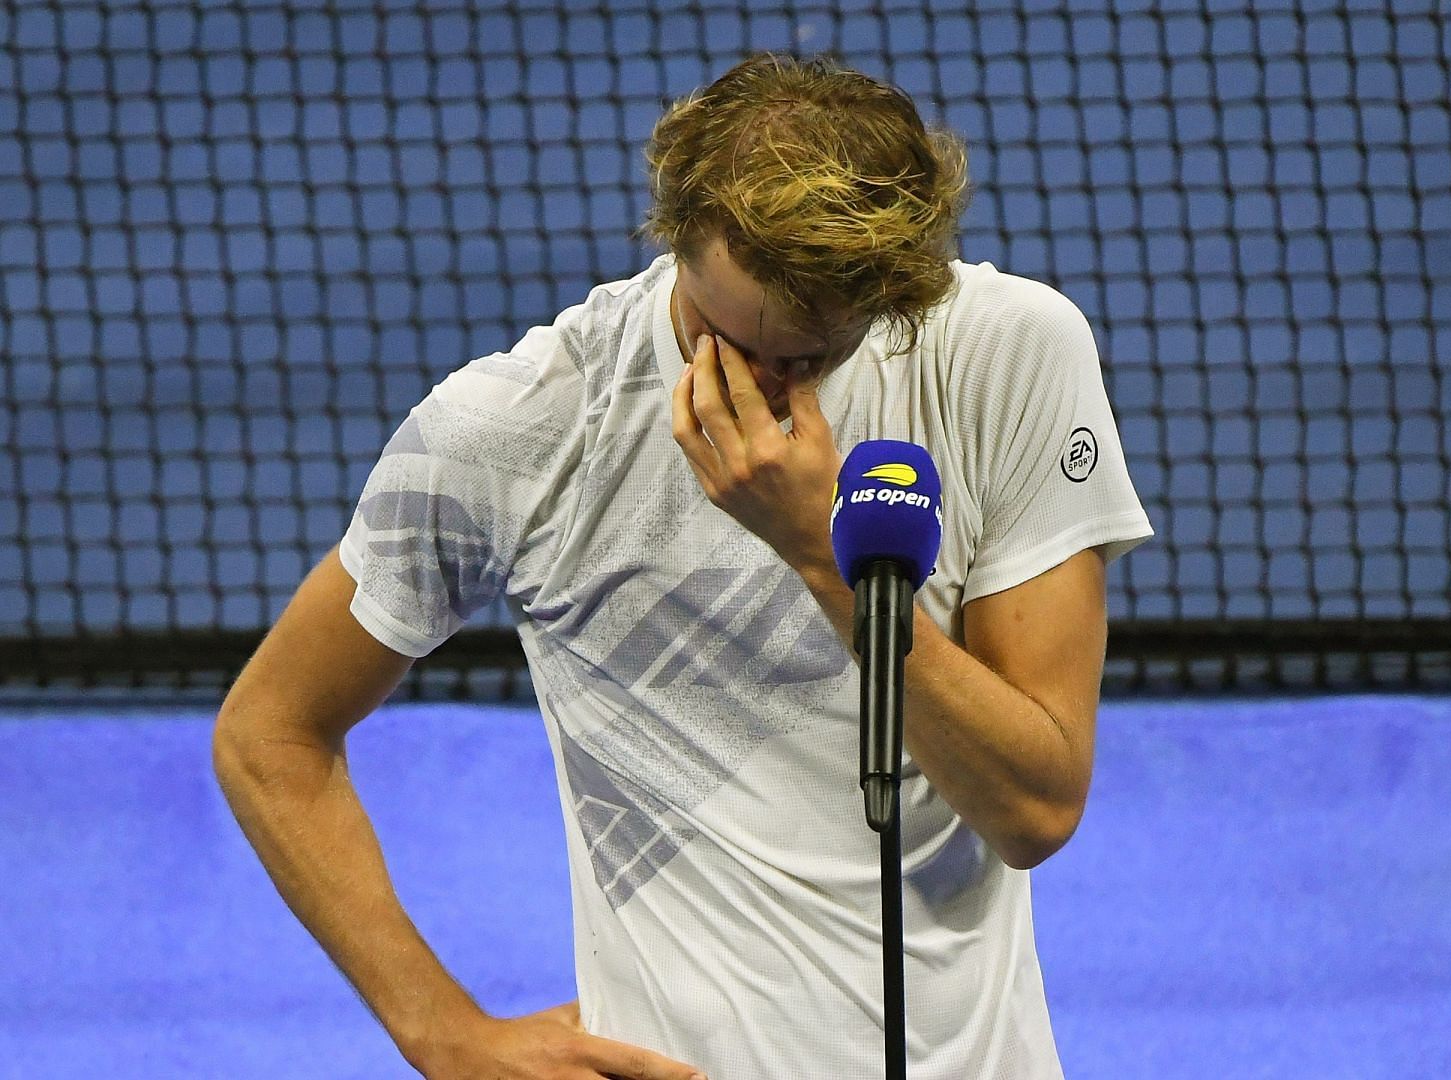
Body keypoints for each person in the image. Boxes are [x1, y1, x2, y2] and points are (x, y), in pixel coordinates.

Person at [212, 53, 1151, 1079]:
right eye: (723, 332)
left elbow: (1036, 807)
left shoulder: (1005, 354)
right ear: (675, 235)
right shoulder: (522, 428)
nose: (758, 383)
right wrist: (442, 1032)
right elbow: (272, 733)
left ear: (890, 292)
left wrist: (818, 555)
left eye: (804, 358)